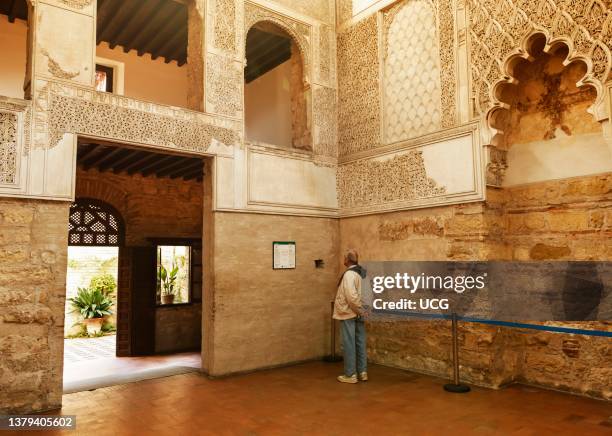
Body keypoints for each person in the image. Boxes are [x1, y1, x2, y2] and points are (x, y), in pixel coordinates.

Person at [333, 249, 367, 384]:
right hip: (360, 312)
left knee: (349, 343)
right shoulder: (363, 273)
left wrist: (358, 310)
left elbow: (351, 297)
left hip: (349, 313)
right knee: (360, 342)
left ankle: (351, 374)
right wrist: (363, 310)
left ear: (347, 260)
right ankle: (362, 372)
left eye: (344, 258)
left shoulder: (349, 275)